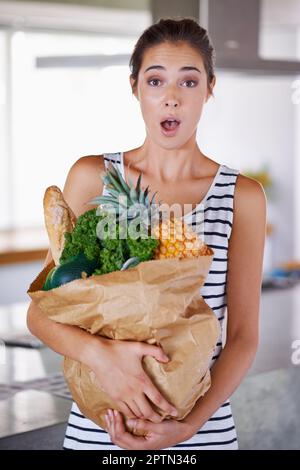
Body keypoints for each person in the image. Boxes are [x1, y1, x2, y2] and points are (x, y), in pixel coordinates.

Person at [27, 17, 266, 450]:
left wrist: (190, 425)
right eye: (156, 81)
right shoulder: (93, 177)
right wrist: (104, 357)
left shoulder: (243, 197)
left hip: (201, 436)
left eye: (189, 83)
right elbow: (41, 312)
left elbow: (245, 336)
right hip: (101, 429)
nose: (171, 98)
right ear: (135, 87)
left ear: (210, 89)